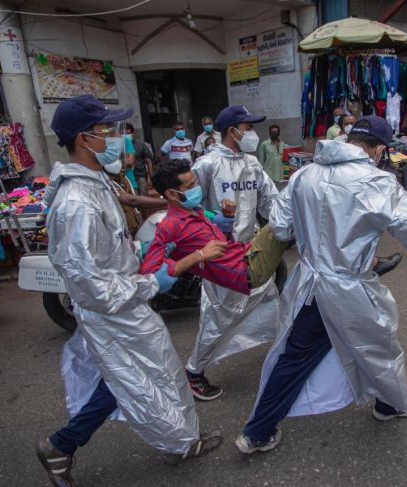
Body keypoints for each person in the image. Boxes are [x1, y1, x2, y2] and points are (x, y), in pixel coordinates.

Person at [37, 95, 221, 487]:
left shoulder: (96, 183)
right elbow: (90, 286)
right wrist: (154, 281)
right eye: (107, 131)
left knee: (138, 379)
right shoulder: (77, 204)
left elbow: (104, 249)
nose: (117, 138)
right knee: (143, 378)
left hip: (127, 300)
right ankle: (63, 445)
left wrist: (140, 251)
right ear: (84, 140)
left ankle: (174, 441)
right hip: (115, 311)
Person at [234, 116, 407, 454]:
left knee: (296, 357)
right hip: (348, 289)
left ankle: (256, 432)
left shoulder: (304, 174)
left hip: (311, 285)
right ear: (378, 149)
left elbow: (279, 225)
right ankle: (392, 405)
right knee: (378, 347)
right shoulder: (376, 181)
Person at [185, 105, 281, 401]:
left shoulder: (252, 163)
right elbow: (186, 205)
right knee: (218, 315)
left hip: (249, 248)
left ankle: (280, 352)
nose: (252, 132)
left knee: (267, 299)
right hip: (220, 254)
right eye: (248, 127)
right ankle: (194, 370)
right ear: (233, 131)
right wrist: (214, 219)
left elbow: (271, 202)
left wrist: (290, 221)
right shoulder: (207, 165)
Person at [141, 159, 290, 292]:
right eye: (190, 185)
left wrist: (227, 217)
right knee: (286, 213)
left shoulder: (198, 212)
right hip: (247, 269)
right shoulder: (169, 225)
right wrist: (198, 256)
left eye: (196, 182)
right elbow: (150, 277)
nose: (197, 187)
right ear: (172, 194)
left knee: (286, 215)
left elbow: (219, 248)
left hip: (247, 253)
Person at [125, 123, 154, 196]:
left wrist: (151, 178)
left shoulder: (141, 145)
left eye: (128, 133)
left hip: (140, 175)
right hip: (126, 175)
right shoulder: (120, 146)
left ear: (133, 133)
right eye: (124, 133)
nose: (126, 135)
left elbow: (149, 162)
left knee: (144, 196)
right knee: (131, 196)